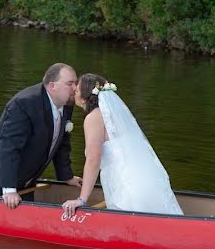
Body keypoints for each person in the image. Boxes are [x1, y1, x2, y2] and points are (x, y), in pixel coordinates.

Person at [62, 74, 183, 218]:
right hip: (142, 176)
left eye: (77, 90)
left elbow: (93, 160)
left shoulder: (93, 117)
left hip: (124, 182)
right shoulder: (113, 116)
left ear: (84, 96)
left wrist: (81, 200)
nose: (74, 90)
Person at [0, 63, 82, 209]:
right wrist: (9, 189)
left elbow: (62, 144)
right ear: (52, 85)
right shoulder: (24, 104)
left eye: (76, 83)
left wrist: (66, 176)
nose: (75, 88)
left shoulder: (66, 103)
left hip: (27, 179)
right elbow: (9, 147)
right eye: (70, 84)